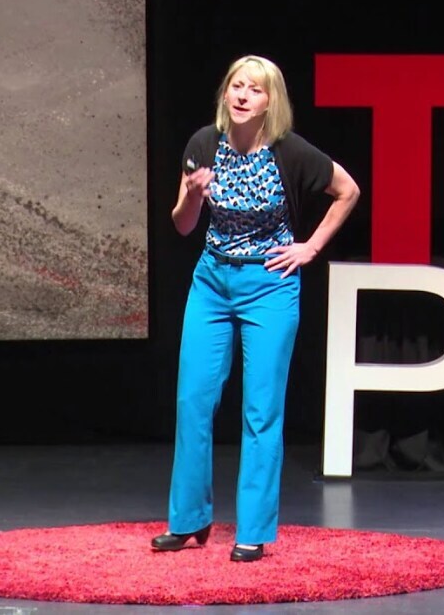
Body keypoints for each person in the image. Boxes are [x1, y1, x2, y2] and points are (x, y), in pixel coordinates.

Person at [151, 55, 361, 562]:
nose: (243, 96)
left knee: (261, 411)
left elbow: (347, 190)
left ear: (271, 101)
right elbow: (182, 224)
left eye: (255, 89)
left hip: (269, 285)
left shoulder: (290, 151)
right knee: (193, 401)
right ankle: (189, 519)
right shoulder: (203, 145)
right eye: (236, 86)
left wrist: (310, 247)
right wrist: (193, 196)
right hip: (211, 281)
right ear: (225, 93)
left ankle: (254, 530)